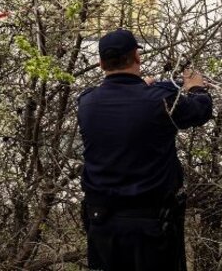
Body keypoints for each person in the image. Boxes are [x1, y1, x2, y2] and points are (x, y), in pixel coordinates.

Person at [77, 29, 213, 271]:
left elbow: (125, 106)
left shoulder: (86, 102)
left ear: (100, 63)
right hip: (150, 227)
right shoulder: (159, 100)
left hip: (101, 224)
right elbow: (200, 111)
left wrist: (144, 88)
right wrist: (195, 87)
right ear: (137, 57)